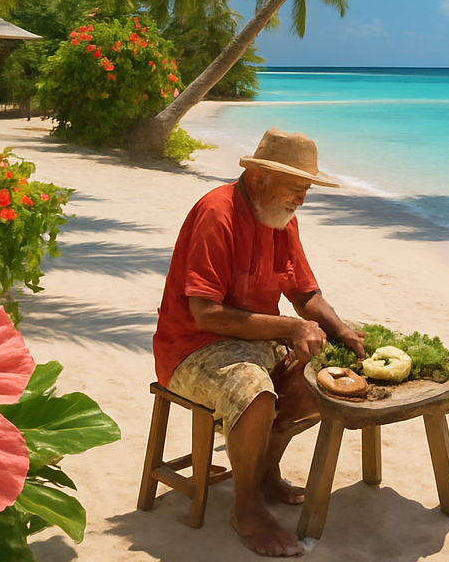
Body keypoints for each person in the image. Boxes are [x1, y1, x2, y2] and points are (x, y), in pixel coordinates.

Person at [153, 128, 367, 557]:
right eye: (296, 188)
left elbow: (305, 294)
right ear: (259, 178)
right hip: (192, 347)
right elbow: (205, 313)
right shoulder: (218, 212)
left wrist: (341, 330)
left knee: (323, 371)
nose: (301, 200)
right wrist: (290, 329)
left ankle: (265, 472)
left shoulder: (281, 219)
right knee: (254, 389)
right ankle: (246, 508)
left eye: (306, 190)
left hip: (256, 340)